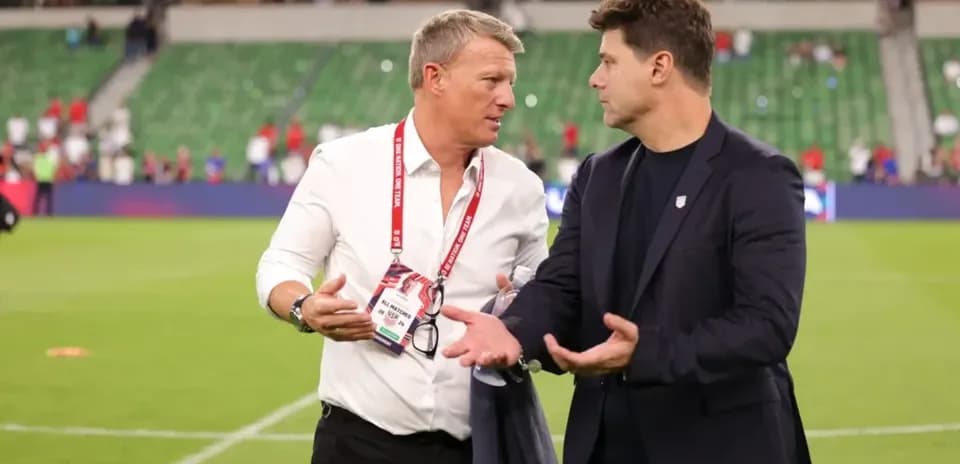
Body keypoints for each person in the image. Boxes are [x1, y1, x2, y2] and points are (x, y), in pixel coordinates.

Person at [441, 1, 811, 464]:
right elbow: (562, 287)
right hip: (605, 444)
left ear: (660, 67)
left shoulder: (758, 176)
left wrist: (643, 354)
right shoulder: (599, 176)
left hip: (720, 444)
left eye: (609, 61)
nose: (596, 77)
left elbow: (766, 326)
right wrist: (513, 333)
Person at [254, 9, 547, 464]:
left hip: (479, 445)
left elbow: (541, 298)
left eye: (510, 82)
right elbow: (281, 264)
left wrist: (522, 314)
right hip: (357, 444)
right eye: (492, 80)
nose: (507, 98)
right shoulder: (343, 164)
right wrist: (303, 307)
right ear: (436, 77)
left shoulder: (521, 188)